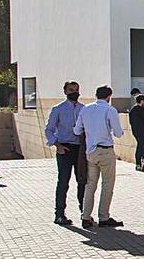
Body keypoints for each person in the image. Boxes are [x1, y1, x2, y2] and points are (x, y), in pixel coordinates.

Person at [74, 85, 125, 229]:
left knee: (90, 185)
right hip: (105, 150)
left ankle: (85, 216)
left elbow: (77, 130)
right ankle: (103, 216)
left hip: (90, 151)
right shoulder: (110, 110)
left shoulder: (86, 109)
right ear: (109, 96)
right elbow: (118, 132)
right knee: (107, 185)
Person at [45, 81, 86, 225]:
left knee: (82, 181)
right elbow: (49, 129)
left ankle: (84, 212)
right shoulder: (58, 109)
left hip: (80, 149)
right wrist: (57, 145)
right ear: (65, 91)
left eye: (76, 90)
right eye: (71, 90)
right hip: (65, 148)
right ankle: (59, 214)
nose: (74, 92)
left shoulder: (84, 109)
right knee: (63, 182)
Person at [128, 94, 144, 171]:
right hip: (143, 130)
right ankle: (139, 163)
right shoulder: (142, 110)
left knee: (141, 145)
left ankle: (143, 159)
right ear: (141, 101)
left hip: (135, 130)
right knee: (140, 146)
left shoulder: (132, 110)